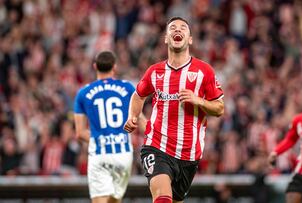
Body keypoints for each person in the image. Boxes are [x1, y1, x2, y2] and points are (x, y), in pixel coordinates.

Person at [124, 17, 224, 203]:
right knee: (163, 198)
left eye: (183, 28)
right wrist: (133, 116)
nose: (177, 30)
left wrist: (198, 101)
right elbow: (138, 95)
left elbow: (219, 108)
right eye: (172, 28)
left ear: (190, 38)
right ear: (166, 38)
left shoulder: (204, 71)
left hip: (189, 154)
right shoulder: (154, 72)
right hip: (157, 146)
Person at [74, 51, 135, 203]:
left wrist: (101, 138)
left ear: (95, 67)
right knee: (114, 201)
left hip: (100, 154)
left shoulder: (83, 93)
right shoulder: (127, 88)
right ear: (114, 67)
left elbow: (80, 133)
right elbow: (139, 119)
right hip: (124, 155)